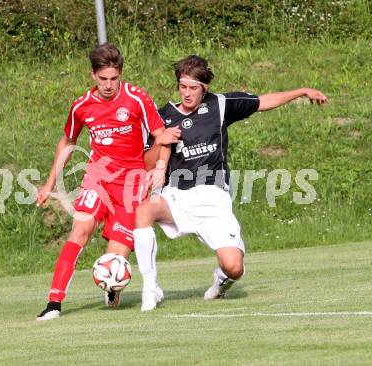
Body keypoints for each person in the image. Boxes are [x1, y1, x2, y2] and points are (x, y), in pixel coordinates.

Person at [134, 55, 328, 311]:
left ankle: (221, 280)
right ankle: (151, 288)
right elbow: (147, 162)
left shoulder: (220, 105)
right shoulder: (162, 117)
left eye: (194, 88)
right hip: (176, 196)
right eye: (183, 87)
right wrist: (160, 141)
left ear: (205, 88)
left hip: (213, 198)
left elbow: (262, 102)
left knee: (234, 267)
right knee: (144, 210)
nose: (187, 93)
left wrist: (301, 91)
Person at [36, 43, 180, 320]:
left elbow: (162, 136)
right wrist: (49, 183)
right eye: (103, 79)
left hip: (131, 186)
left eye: (114, 78)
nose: (109, 85)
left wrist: (160, 167)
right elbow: (67, 141)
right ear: (93, 75)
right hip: (98, 179)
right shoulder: (81, 106)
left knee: (113, 270)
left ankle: (112, 289)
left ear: (120, 74)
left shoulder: (137, 98)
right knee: (80, 231)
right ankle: (54, 304)